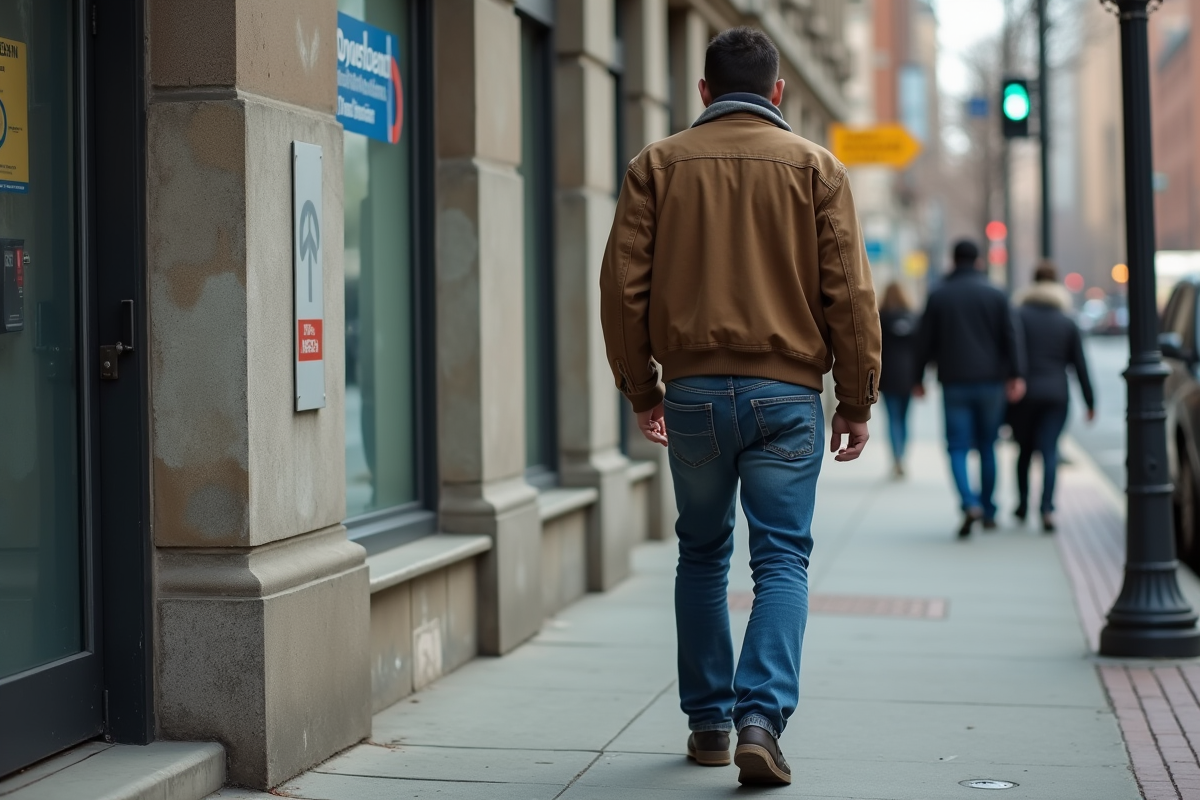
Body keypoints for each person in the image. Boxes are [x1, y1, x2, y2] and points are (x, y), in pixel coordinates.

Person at [599, 27, 881, 788]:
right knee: (782, 558)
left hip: (690, 394)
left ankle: (710, 725)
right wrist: (855, 400)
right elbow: (849, 296)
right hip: (787, 397)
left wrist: (642, 390)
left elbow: (622, 290)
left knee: (700, 552)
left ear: (702, 92)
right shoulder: (817, 168)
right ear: (779, 93)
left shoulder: (656, 166)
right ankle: (762, 717)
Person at [914, 240, 1025, 537]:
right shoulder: (996, 294)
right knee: (988, 447)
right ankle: (988, 509)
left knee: (958, 447)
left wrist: (917, 378)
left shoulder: (939, 296)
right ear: (978, 261)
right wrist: (1016, 375)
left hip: (954, 383)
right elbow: (1011, 337)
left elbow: (923, 341)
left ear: (953, 259)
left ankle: (968, 502)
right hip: (991, 383)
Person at [1010, 262, 1095, 532]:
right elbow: (1080, 365)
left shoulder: (1018, 315)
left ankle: (1022, 504)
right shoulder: (1066, 321)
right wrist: (1090, 402)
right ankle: (1047, 509)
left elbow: (1009, 354)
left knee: (1024, 451)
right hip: (1057, 394)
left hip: (1024, 394)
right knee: (1049, 451)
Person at [879, 282, 920, 477]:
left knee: (892, 418)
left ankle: (896, 457)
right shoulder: (914, 318)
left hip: (886, 376)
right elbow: (921, 350)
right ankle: (902, 455)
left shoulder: (880, 317)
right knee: (904, 419)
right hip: (909, 376)